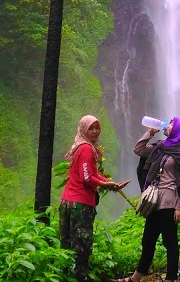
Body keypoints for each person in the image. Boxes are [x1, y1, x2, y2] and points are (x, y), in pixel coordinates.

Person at [118, 117, 180, 282]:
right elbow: (139, 150)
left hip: (170, 202)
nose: (169, 125)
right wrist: (149, 132)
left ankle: (170, 278)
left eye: (173, 124)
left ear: (179, 131)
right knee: (148, 240)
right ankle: (137, 276)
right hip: (154, 200)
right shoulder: (160, 146)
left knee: (170, 242)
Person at [59, 115, 129, 282]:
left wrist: (109, 183)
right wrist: (106, 185)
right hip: (80, 204)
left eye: (97, 127)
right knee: (82, 244)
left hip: (67, 201)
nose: (95, 131)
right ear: (84, 129)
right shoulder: (87, 149)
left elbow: (92, 173)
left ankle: (64, 276)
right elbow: (87, 178)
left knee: (66, 243)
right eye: (91, 128)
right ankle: (80, 277)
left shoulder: (79, 147)